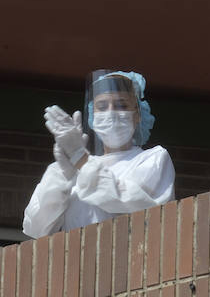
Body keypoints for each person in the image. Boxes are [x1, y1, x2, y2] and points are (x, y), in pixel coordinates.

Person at [22, 70, 176, 238]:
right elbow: (35, 228)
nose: (111, 113)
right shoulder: (77, 167)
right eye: (102, 107)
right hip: (75, 261)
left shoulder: (152, 159)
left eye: (121, 105)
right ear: (93, 117)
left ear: (137, 115)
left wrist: (80, 158)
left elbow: (129, 203)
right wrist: (63, 173)